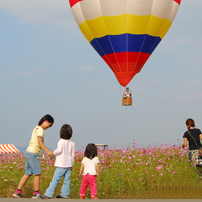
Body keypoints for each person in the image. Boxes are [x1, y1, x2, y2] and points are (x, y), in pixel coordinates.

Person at [12, 114, 54, 199]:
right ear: (45, 121)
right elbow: (40, 143)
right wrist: (48, 151)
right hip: (33, 154)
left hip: (27, 152)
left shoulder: (36, 128)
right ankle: (36, 193)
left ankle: (18, 192)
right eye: (49, 125)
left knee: (27, 173)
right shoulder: (41, 130)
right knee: (37, 173)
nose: (47, 128)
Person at [41, 124, 75, 199]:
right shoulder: (72, 144)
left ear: (61, 133)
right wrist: (72, 164)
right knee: (67, 180)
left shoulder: (61, 141)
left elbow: (59, 150)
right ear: (70, 133)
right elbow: (72, 155)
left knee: (55, 179)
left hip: (61, 164)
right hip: (69, 164)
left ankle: (48, 194)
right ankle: (64, 195)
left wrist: (53, 153)